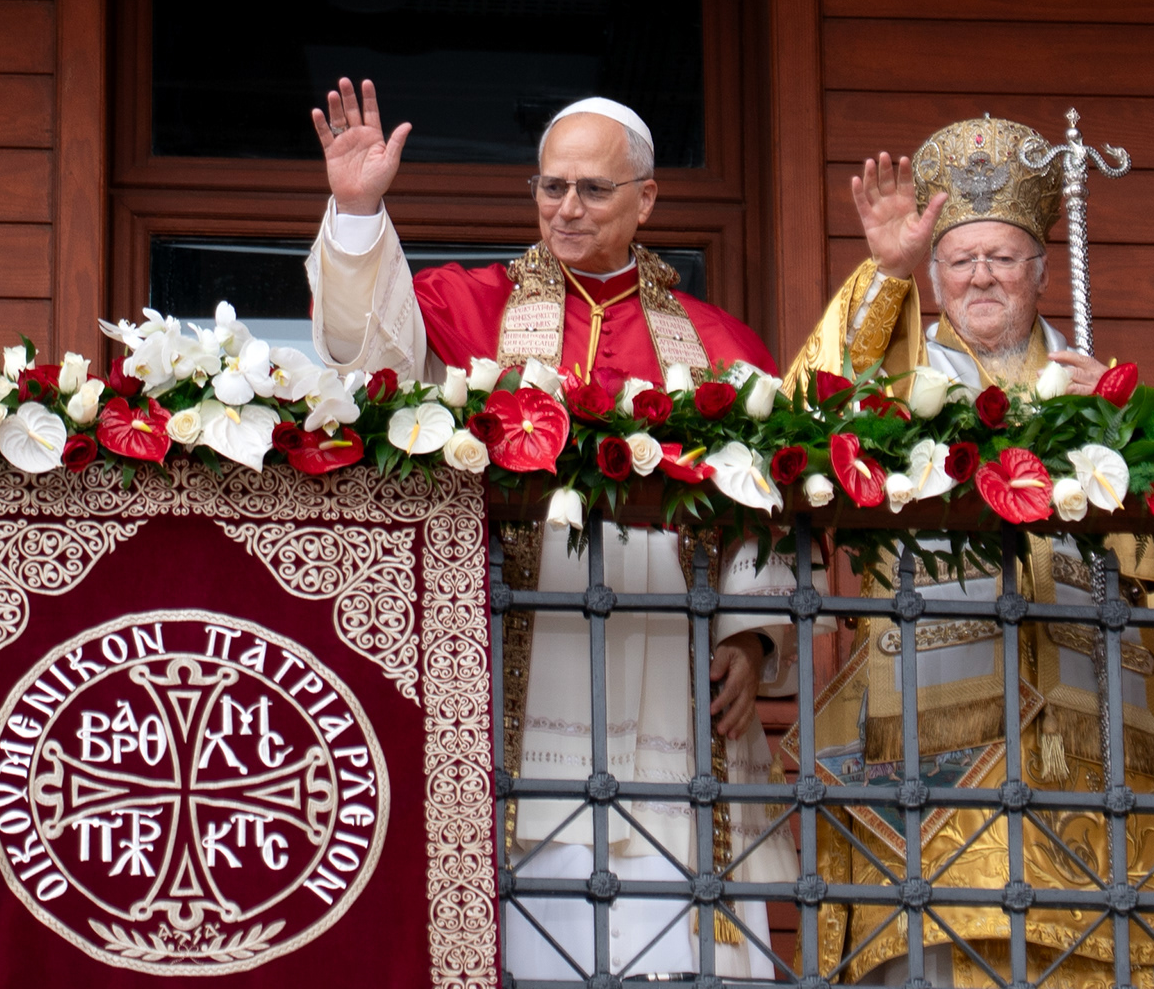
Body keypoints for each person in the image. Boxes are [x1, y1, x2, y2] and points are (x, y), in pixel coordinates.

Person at [306, 79, 799, 980]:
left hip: (671, 661)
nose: (565, 208)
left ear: (646, 199)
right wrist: (356, 210)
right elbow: (368, 361)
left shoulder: (719, 338)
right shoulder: (471, 304)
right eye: (549, 187)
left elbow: (765, 500)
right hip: (522, 651)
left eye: (592, 190)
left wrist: (754, 639)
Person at [782, 117, 1154, 987]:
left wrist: (1120, 427)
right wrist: (886, 271)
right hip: (941, 723)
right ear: (934, 276)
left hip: (1099, 730)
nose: (980, 276)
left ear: (1042, 273)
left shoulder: (1098, 383)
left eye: (1002, 258)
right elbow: (807, 415)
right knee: (945, 939)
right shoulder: (899, 379)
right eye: (959, 259)